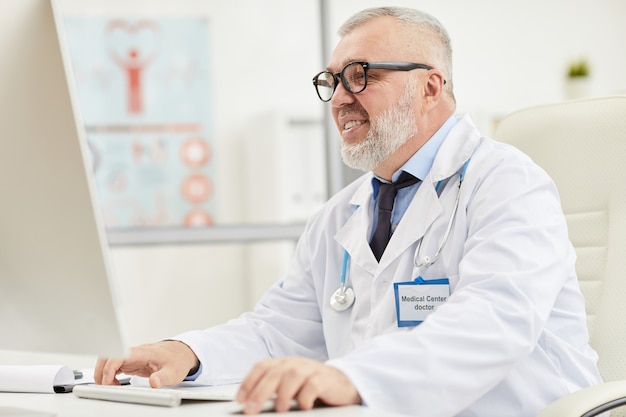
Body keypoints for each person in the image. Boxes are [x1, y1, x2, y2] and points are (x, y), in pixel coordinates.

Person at [95, 6, 603, 416]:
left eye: (360, 76)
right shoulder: (340, 215)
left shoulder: (507, 182)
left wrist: (352, 376)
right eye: (332, 81)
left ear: (430, 86)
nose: (339, 98)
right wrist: (188, 353)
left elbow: (496, 319)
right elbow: (279, 330)